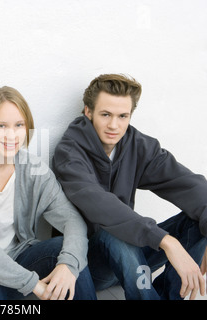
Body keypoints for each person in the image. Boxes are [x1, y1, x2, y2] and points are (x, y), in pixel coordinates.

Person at [53, 73, 207, 300]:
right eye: (105, 114)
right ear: (88, 112)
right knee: (115, 233)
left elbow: (190, 185)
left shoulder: (138, 146)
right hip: (89, 264)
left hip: (133, 259)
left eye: (122, 116)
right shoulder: (69, 152)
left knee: (198, 219)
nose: (114, 125)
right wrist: (167, 242)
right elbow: (103, 206)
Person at [0, 86, 96, 300]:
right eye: (1, 125)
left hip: (17, 261)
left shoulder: (33, 170)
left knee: (66, 251)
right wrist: (35, 286)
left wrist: (69, 265)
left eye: (19, 125)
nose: (12, 135)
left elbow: (72, 219)